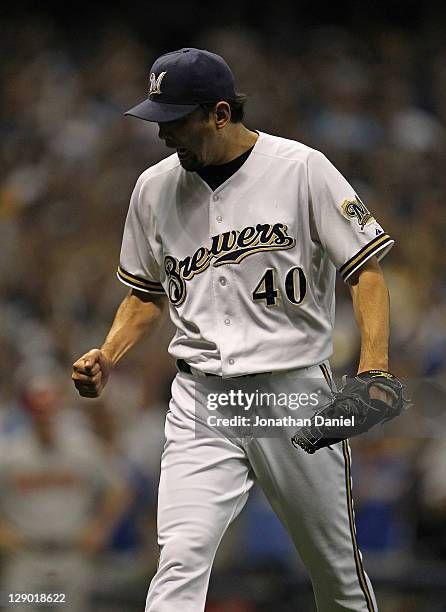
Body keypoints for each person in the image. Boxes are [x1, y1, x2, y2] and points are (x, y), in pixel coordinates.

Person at [72, 47, 395, 611]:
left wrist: (373, 368)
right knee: (179, 559)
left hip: (292, 393)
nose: (163, 134)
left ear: (220, 114)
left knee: (336, 575)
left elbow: (365, 271)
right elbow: (145, 293)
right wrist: (110, 352)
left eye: (175, 121)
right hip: (202, 398)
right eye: (157, 119)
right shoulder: (152, 188)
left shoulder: (302, 167)